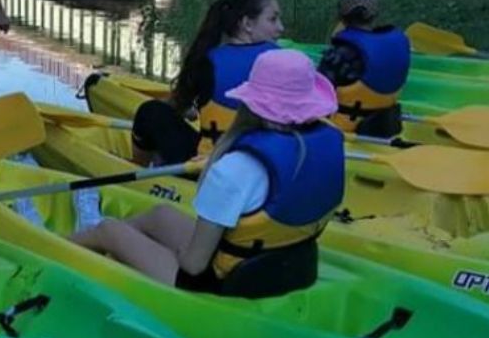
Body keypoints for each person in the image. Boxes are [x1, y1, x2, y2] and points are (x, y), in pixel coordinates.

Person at [72, 50, 344, 295]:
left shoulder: (235, 168)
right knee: (160, 215)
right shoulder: (328, 145)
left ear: (251, 103)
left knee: (108, 230)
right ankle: (107, 251)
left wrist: (175, 252)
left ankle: (59, 248)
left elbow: (193, 265)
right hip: (293, 267)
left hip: (222, 282)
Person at [170, 0, 284, 151]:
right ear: (247, 24)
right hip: (266, 157)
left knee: (151, 112)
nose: (281, 27)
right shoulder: (281, 59)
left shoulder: (205, 60)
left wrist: (191, 109)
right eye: (273, 19)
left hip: (212, 159)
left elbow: (183, 108)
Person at [318, 0, 410, 138]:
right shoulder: (399, 43)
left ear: (341, 15)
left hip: (345, 131)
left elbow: (317, 96)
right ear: (375, 13)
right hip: (388, 126)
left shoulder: (339, 54)